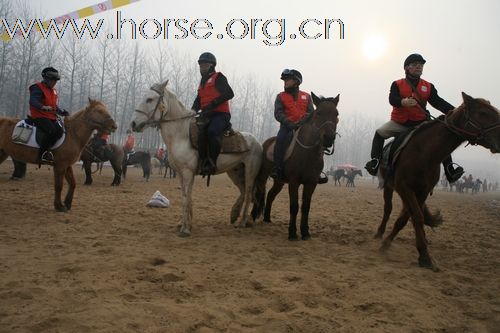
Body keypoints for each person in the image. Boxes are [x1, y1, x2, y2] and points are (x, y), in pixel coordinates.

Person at [364, 53, 464, 183]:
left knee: (441, 137)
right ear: (406, 68)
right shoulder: (397, 84)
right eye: (415, 65)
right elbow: (392, 99)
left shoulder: (428, 86)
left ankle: (449, 169)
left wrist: (456, 111)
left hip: (421, 124)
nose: (419, 67)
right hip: (399, 122)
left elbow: (438, 102)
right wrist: (402, 102)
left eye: (421, 65)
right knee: (379, 133)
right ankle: (375, 162)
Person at [191, 52, 234, 175]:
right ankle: (203, 162)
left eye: (204, 65)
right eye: (200, 65)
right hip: (207, 116)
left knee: (212, 132)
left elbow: (230, 93)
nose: (202, 68)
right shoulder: (202, 83)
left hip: (221, 114)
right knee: (201, 136)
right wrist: (192, 111)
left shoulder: (218, 77)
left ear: (211, 66)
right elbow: (198, 100)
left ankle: (212, 162)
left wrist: (213, 104)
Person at [270, 69, 314, 180]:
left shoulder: (307, 96)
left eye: (287, 80)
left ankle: (316, 170)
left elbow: (311, 113)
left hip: (304, 127)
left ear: (296, 81)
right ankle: (277, 168)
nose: (285, 82)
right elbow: (278, 113)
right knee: (280, 139)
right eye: (284, 80)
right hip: (287, 127)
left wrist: (303, 121)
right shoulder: (280, 96)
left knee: (316, 140)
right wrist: (288, 123)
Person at [29, 67, 69, 164]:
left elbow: (54, 106)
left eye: (55, 80)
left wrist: (61, 112)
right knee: (51, 130)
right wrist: (43, 107)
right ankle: (41, 154)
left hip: (50, 117)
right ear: (46, 79)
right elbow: (32, 101)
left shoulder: (53, 91)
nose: (54, 82)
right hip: (38, 116)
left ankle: (50, 150)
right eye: (52, 80)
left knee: (60, 131)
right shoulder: (37, 87)